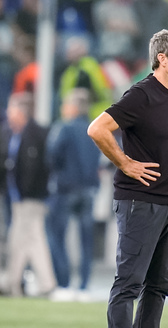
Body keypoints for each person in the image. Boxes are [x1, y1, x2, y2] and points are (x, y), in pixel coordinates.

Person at [88, 29, 168, 328]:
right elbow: (98, 129)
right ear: (162, 59)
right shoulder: (140, 95)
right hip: (138, 201)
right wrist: (125, 163)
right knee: (129, 282)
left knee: (159, 285)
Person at [46, 88, 100, 302]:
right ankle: (84, 286)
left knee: (56, 234)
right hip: (88, 189)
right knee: (86, 240)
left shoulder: (64, 128)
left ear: (73, 107)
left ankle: (64, 283)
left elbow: (52, 155)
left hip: (65, 189)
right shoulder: (94, 128)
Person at [3, 92, 55, 296]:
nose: (8, 113)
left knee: (27, 240)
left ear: (20, 111)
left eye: (11, 108)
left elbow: (35, 168)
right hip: (19, 197)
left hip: (30, 198)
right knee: (23, 240)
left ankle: (36, 283)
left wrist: (28, 192)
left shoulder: (34, 133)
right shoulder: (14, 133)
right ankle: (14, 282)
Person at [59, 36, 112, 121]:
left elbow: (102, 90)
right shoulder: (69, 72)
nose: (71, 53)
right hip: (75, 112)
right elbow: (65, 97)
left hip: (95, 109)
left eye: (75, 50)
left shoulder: (90, 66)